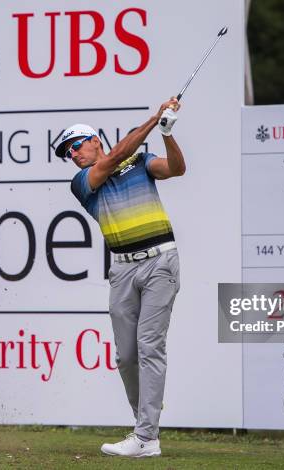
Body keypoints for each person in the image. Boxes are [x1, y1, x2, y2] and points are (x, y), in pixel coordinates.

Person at [55, 98, 185, 458]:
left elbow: (177, 169)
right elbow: (113, 160)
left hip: (160, 262)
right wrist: (153, 118)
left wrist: (167, 132)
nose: (74, 155)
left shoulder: (140, 162)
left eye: (76, 145)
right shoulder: (82, 182)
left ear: (96, 139)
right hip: (123, 270)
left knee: (149, 345)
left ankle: (146, 437)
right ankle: (144, 431)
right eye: (68, 152)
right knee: (126, 356)